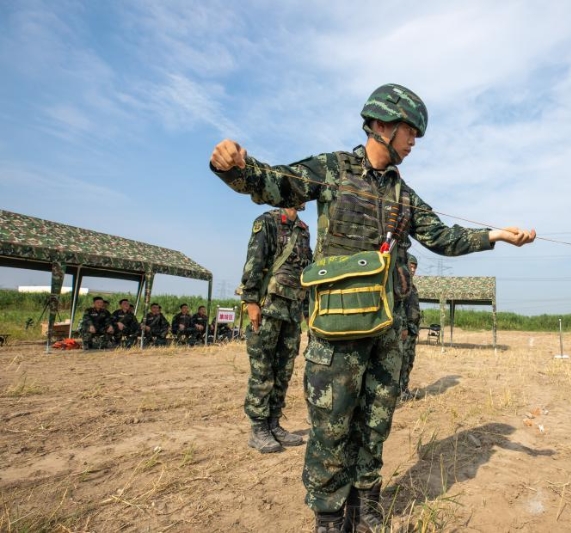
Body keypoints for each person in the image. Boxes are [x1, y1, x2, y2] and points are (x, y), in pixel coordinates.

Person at [210, 83, 535, 532]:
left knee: (376, 420)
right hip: (339, 326)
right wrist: (234, 167)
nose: (414, 140)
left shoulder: (404, 194)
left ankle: (366, 503)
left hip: (388, 327)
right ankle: (328, 515)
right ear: (382, 125)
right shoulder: (333, 170)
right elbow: (275, 182)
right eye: (410, 130)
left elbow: (443, 237)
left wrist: (495, 235)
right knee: (331, 424)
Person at [240, 205, 313, 454]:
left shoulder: (304, 230)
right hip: (268, 308)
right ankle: (258, 428)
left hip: (292, 312)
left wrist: (307, 311)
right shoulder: (267, 222)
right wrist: (251, 301)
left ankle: (274, 423)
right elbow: (254, 261)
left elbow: (307, 273)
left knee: (284, 370)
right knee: (263, 369)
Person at [399, 254, 420, 401]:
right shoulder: (402, 285)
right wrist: (404, 327)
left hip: (412, 330)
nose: (412, 269)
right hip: (404, 331)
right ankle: (399, 391)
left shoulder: (412, 287)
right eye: (410, 266)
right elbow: (400, 309)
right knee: (402, 361)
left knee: (409, 361)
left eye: (414, 267)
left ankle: (404, 389)